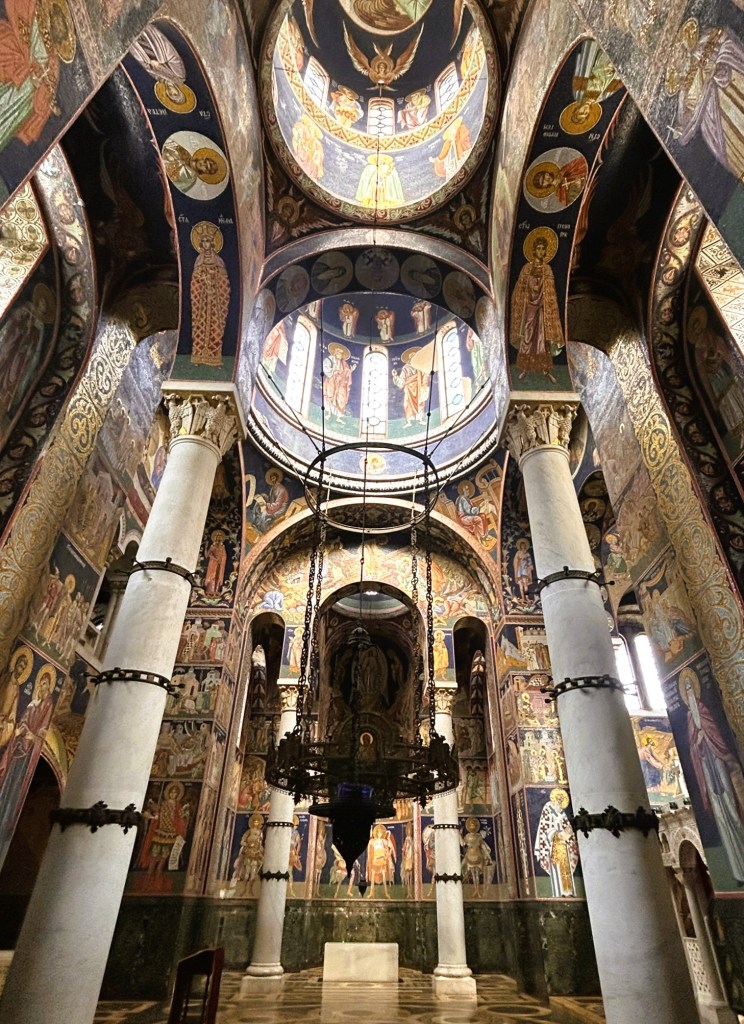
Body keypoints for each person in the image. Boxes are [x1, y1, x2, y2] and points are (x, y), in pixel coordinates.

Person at [680, 668, 744, 882]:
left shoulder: (704, 711)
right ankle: (735, 870)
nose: (689, 691)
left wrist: (706, 740)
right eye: (686, 688)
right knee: (720, 812)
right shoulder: (689, 717)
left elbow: (717, 735)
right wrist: (697, 744)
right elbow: (691, 745)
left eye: (691, 687)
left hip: (719, 761)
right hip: (706, 765)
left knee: (733, 807)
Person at [510, 233, 562, 382]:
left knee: (542, 339)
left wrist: (546, 303)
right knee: (528, 336)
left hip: (542, 309)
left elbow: (551, 291)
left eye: (542, 249)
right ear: (534, 250)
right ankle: (524, 368)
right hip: (529, 308)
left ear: (545, 251)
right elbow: (519, 289)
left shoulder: (548, 269)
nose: (540, 251)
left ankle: (546, 370)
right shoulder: (526, 268)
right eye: (538, 248)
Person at [533, 788, 579, 897]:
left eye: (561, 799)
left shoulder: (561, 812)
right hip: (553, 844)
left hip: (564, 844)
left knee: (565, 867)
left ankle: (569, 891)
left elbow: (567, 827)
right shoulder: (548, 808)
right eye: (558, 799)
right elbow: (544, 827)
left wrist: (567, 834)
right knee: (556, 868)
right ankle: (559, 892)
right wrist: (556, 834)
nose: (559, 801)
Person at [323, 343, 354, 422]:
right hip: (332, 382)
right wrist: (334, 371)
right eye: (339, 353)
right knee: (330, 396)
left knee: (341, 398)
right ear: (335, 353)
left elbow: (346, 373)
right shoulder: (329, 359)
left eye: (341, 354)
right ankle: (329, 413)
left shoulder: (344, 364)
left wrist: (350, 371)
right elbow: (326, 368)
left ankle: (339, 417)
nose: (340, 355)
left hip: (341, 384)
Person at [366, 823, 396, 899]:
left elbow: (389, 848)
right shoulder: (373, 841)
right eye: (378, 832)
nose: (379, 834)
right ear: (376, 833)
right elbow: (369, 848)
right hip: (375, 860)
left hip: (382, 860)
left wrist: (388, 854)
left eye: (381, 832)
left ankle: (386, 893)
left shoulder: (384, 841)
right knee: (372, 876)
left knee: (383, 876)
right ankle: (371, 892)